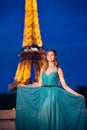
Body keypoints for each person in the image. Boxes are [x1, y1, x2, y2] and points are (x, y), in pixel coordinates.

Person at [37, 49, 86, 130]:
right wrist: (24, 87)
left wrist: (77, 94)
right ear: (46, 57)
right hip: (44, 94)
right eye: (48, 54)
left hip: (54, 94)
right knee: (42, 118)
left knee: (49, 117)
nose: (50, 56)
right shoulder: (43, 69)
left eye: (52, 54)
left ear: (55, 57)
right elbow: (39, 84)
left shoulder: (58, 70)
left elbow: (65, 86)